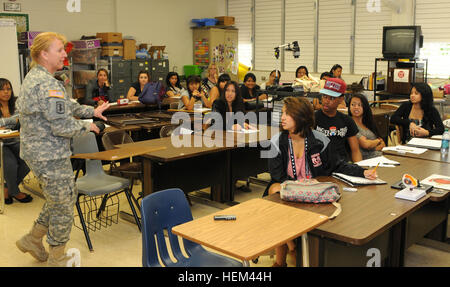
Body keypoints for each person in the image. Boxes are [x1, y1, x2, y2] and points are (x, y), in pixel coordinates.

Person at [15, 32, 110, 267]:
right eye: (59, 50)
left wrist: (91, 112)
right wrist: (90, 127)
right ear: (44, 54)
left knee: (59, 199)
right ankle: (58, 257)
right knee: (64, 206)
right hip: (49, 155)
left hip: (42, 153)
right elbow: (62, 125)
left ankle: (32, 239)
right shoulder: (46, 83)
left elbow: (63, 106)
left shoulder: (36, 78)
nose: (65, 54)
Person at [264, 96, 377, 267]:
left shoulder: (320, 140)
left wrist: (363, 172)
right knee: (275, 191)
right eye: (283, 114)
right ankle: (289, 250)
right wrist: (297, 187)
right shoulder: (276, 142)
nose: (282, 117)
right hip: (289, 190)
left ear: (301, 116)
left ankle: (290, 250)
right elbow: (277, 176)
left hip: (313, 190)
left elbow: (337, 165)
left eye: (288, 114)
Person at [314, 78, 362, 162]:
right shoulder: (312, 119)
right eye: (324, 96)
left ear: (341, 99)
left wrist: (359, 169)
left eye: (332, 98)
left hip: (342, 164)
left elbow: (355, 151)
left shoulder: (347, 120)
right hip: (319, 165)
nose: (326, 101)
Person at [0, 78, 31, 205]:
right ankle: (15, 192)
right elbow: (16, 120)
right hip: (1, 143)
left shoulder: (16, 103)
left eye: (8, 89)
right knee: (10, 164)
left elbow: (21, 119)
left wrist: (4, 123)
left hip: (15, 140)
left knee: (28, 160)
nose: (6, 92)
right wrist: (13, 121)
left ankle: (8, 188)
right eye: (2, 89)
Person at [348, 94, 385, 159]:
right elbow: (365, 144)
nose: (356, 107)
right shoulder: (349, 123)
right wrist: (377, 141)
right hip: (366, 160)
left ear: (365, 107)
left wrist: (374, 144)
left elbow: (383, 144)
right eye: (353, 105)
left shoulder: (368, 122)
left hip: (379, 156)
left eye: (359, 105)